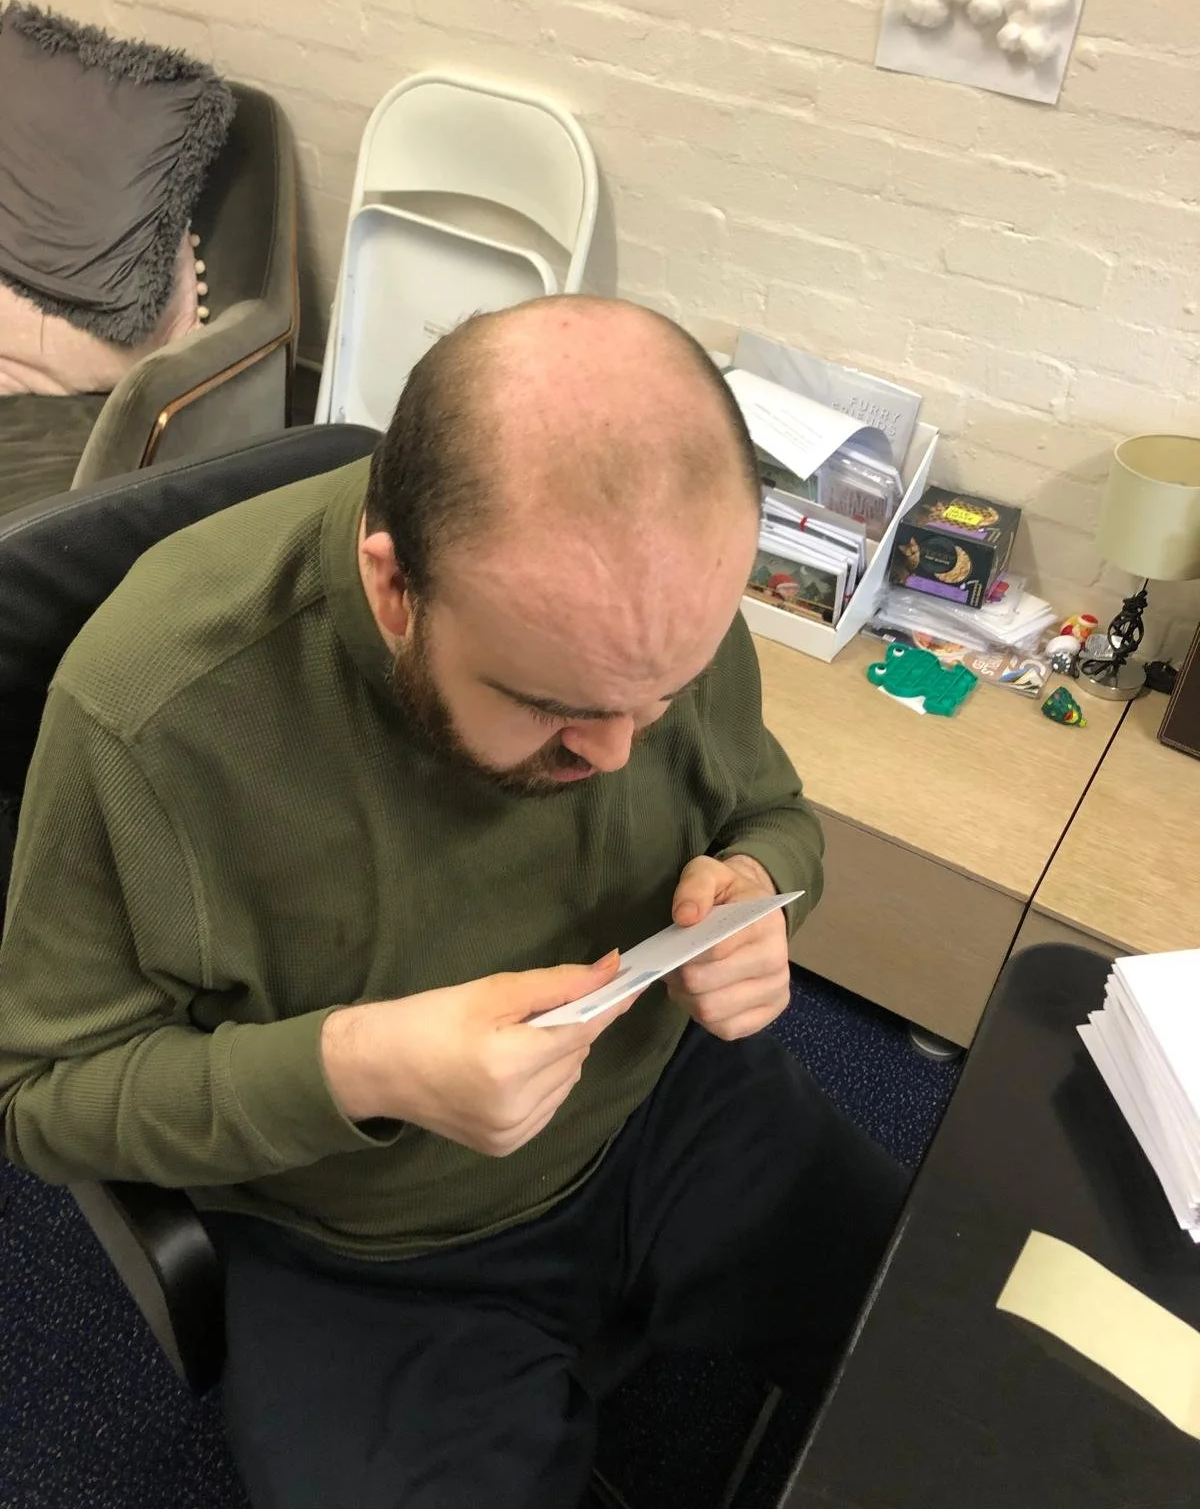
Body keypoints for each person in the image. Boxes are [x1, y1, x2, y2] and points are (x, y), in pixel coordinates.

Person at [0, 297, 905, 1508]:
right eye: (550, 705)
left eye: (663, 689)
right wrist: (362, 1065)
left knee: (981, 1359)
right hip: (371, 1242)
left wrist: (758, 900)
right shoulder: (153, 717)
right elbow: (41, 1099)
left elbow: (769, 810)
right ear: (392, 587)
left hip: (669, 1105)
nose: (622, 750)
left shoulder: (645, 617)